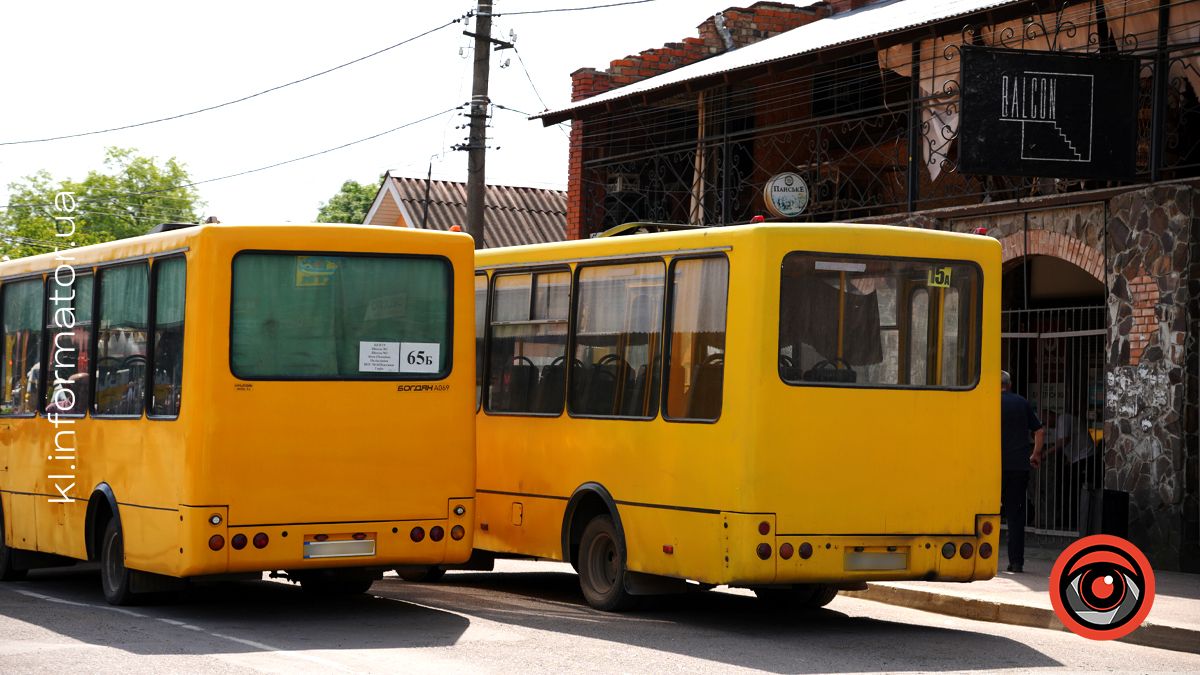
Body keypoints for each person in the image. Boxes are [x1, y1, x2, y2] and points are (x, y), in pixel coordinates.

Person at [1000, 370, 1044, 573]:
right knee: (1015, 515)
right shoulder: (1021, 402)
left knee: (984, 512)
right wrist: (1035, 454)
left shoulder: (989, 401)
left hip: (992, 467)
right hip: (1018, 466)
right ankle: (1016, 562)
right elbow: (1039, 430)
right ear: (1009, 384)